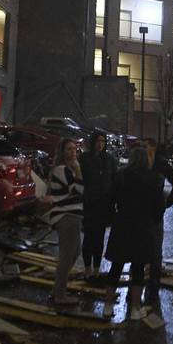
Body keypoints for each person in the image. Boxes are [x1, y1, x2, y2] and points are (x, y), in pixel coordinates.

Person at [102, 147, 158, 321]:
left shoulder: (121, 175)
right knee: (138, 268)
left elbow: (110, 198)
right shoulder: (152, 178)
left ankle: (107, 306)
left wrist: (112, 218)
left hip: (123, 223)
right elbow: (158, 204)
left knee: (116, 266)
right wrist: (153, 219)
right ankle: (135, 308)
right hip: (142, 224)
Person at [42, 138, 84, 306]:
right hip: (67, 216)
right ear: (62, 152)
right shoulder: (62, 170)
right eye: (68, 149)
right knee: (67, 256)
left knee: (74, 252)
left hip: (72, 216)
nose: (73, 152)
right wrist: (79, 170)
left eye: (74, 149)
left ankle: (57, 291)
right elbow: (79, 190)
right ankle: (59, 296)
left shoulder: (69, 170)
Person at [143, 138, 173, 304]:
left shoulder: (160, 163)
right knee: (140, 248)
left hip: (155, 213)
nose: (145, 149)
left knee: (155, 250)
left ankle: (153, 287)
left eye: (147, 146)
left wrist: (168, 203)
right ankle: (137, 285)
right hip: (140, 212)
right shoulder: (140, 161)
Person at [79, 131, 117, 277]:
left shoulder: (109, 159)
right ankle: (87, 267)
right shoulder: (85, 159)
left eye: (103, 141)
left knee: (99, 238)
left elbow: (114, 180)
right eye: (98, 141)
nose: (100, 144)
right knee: (88, 237)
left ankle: (96, 268)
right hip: (89, 204)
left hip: (103, 204)